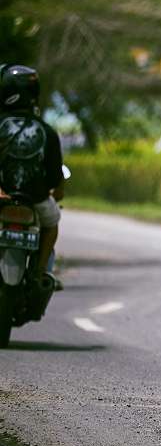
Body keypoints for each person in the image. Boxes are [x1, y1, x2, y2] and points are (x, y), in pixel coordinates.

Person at [0, 63, 65, 282]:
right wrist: (54, 190)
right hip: (35, 199)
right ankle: (39, 272)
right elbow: (56, 176)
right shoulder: (47, 131)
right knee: (51, 225)